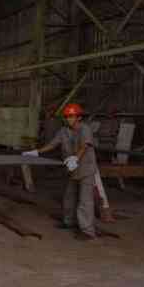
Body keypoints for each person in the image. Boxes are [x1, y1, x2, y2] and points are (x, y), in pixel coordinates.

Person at [23, 103, 98, 240]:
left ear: (79, 117)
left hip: (85, 168)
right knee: (69, 197)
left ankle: (87, 231)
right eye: (67, 116)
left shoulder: (84, 129)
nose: (68, 119)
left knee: (85, 201)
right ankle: (68, 222)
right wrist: (36, 152)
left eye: (71, 116)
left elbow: (85, 145)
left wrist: (75, 158)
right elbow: (52, 144)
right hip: (71, 168)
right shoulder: (63, 131)